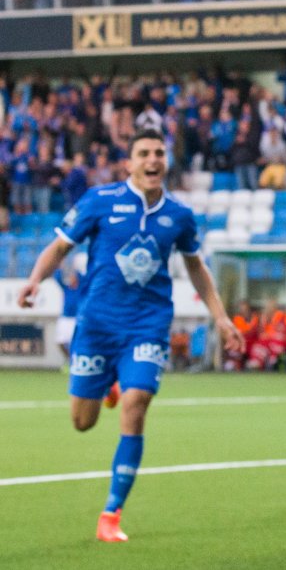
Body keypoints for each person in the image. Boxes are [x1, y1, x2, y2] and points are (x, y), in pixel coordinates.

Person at [17, 129, 244, 543]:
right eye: (144, 153)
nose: (153, 159)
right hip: (97, 325)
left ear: (166, 161)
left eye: (159, 152)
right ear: (130, 163)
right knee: (82, 422)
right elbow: (60, 247)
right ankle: (109, 387)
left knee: (137, 403)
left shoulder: (179, 214)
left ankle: (111, 513)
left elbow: (197, 268)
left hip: (147, 324)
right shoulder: (99, 201)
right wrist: (34, 280)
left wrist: (222, 318)